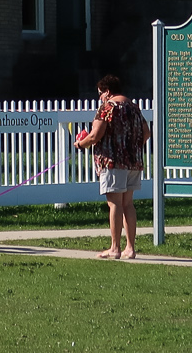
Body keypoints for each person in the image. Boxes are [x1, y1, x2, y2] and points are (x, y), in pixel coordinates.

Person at [73, 73, 150, 259]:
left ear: (107, 91)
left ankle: (115, 248)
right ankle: (130, 248)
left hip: (113, 161)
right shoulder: (134, 107)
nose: (100, 97)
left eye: (100, 93)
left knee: (114, 203)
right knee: (128, 203)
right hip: (133, 161)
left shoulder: (107, 107)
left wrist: (81, 144)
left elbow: (95, 135)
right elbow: (146, 133)